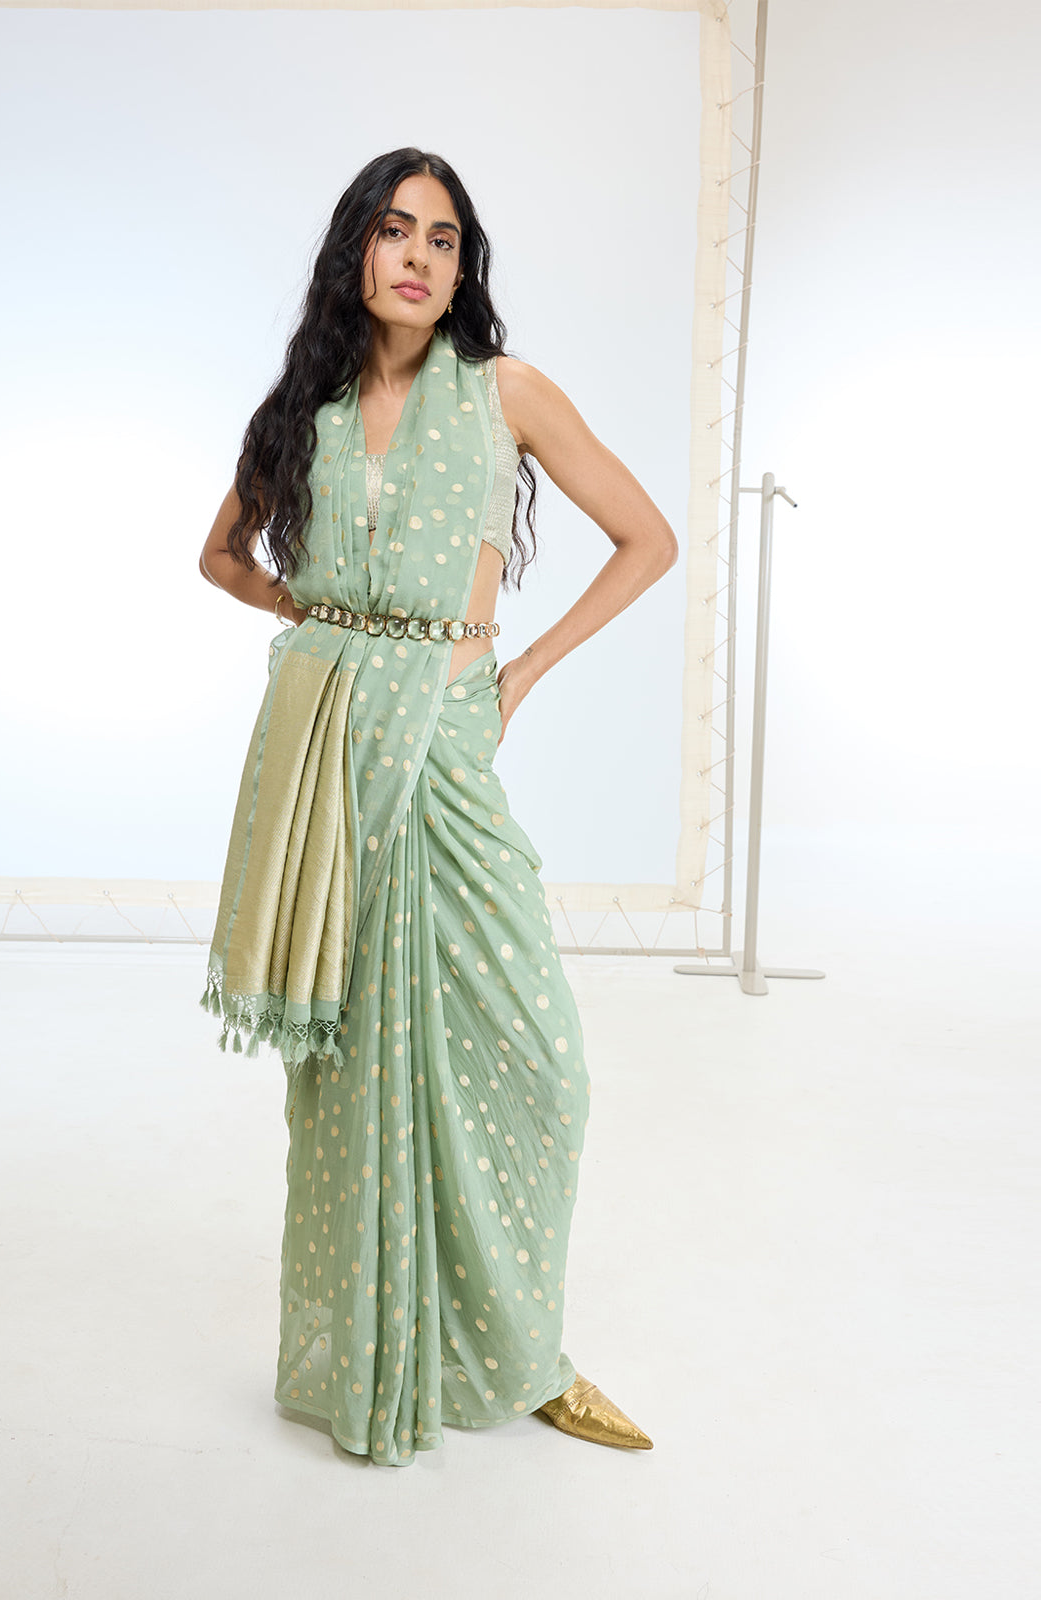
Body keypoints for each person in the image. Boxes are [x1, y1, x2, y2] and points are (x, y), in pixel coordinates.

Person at [198, 148, 678, 1466]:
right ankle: (380, 1347)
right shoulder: (305, 407)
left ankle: (523, 1355)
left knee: (541, 1066)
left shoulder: (505, 391)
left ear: (464, 268)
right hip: (327, 754)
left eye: (444, 238)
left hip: (448, 746)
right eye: (396, 229)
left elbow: (647, 539)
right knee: (352, 1067)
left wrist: (517, 671)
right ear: (356, 248)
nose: (418, 255)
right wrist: (320, 623)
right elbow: (220, 556)